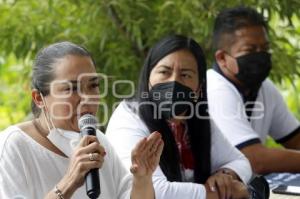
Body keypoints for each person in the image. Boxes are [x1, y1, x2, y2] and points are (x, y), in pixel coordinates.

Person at [0, 41, 164, 199]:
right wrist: (69, 182)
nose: (87, 98)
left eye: (93, 86)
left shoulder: (99, 141)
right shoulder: (13, 146)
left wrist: (142, 178)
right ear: (39, 98)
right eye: (71, 88)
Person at [106, 35, 252, 199]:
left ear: (199, 89)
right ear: (148, 78)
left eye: (186, 75)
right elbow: (156, 192)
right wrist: (220, 193)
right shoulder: (128, 119)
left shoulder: (194, 119)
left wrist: (225, 176)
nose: (174, 81)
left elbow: (241, 162)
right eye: (164, 72)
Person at [207, 6, 300, 174]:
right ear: (222, 58)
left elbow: (295, 140)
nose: (260, 56)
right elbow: (254, 159)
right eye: (249, 50)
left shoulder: (264, 87)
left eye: (264, 49)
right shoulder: (214, 88)